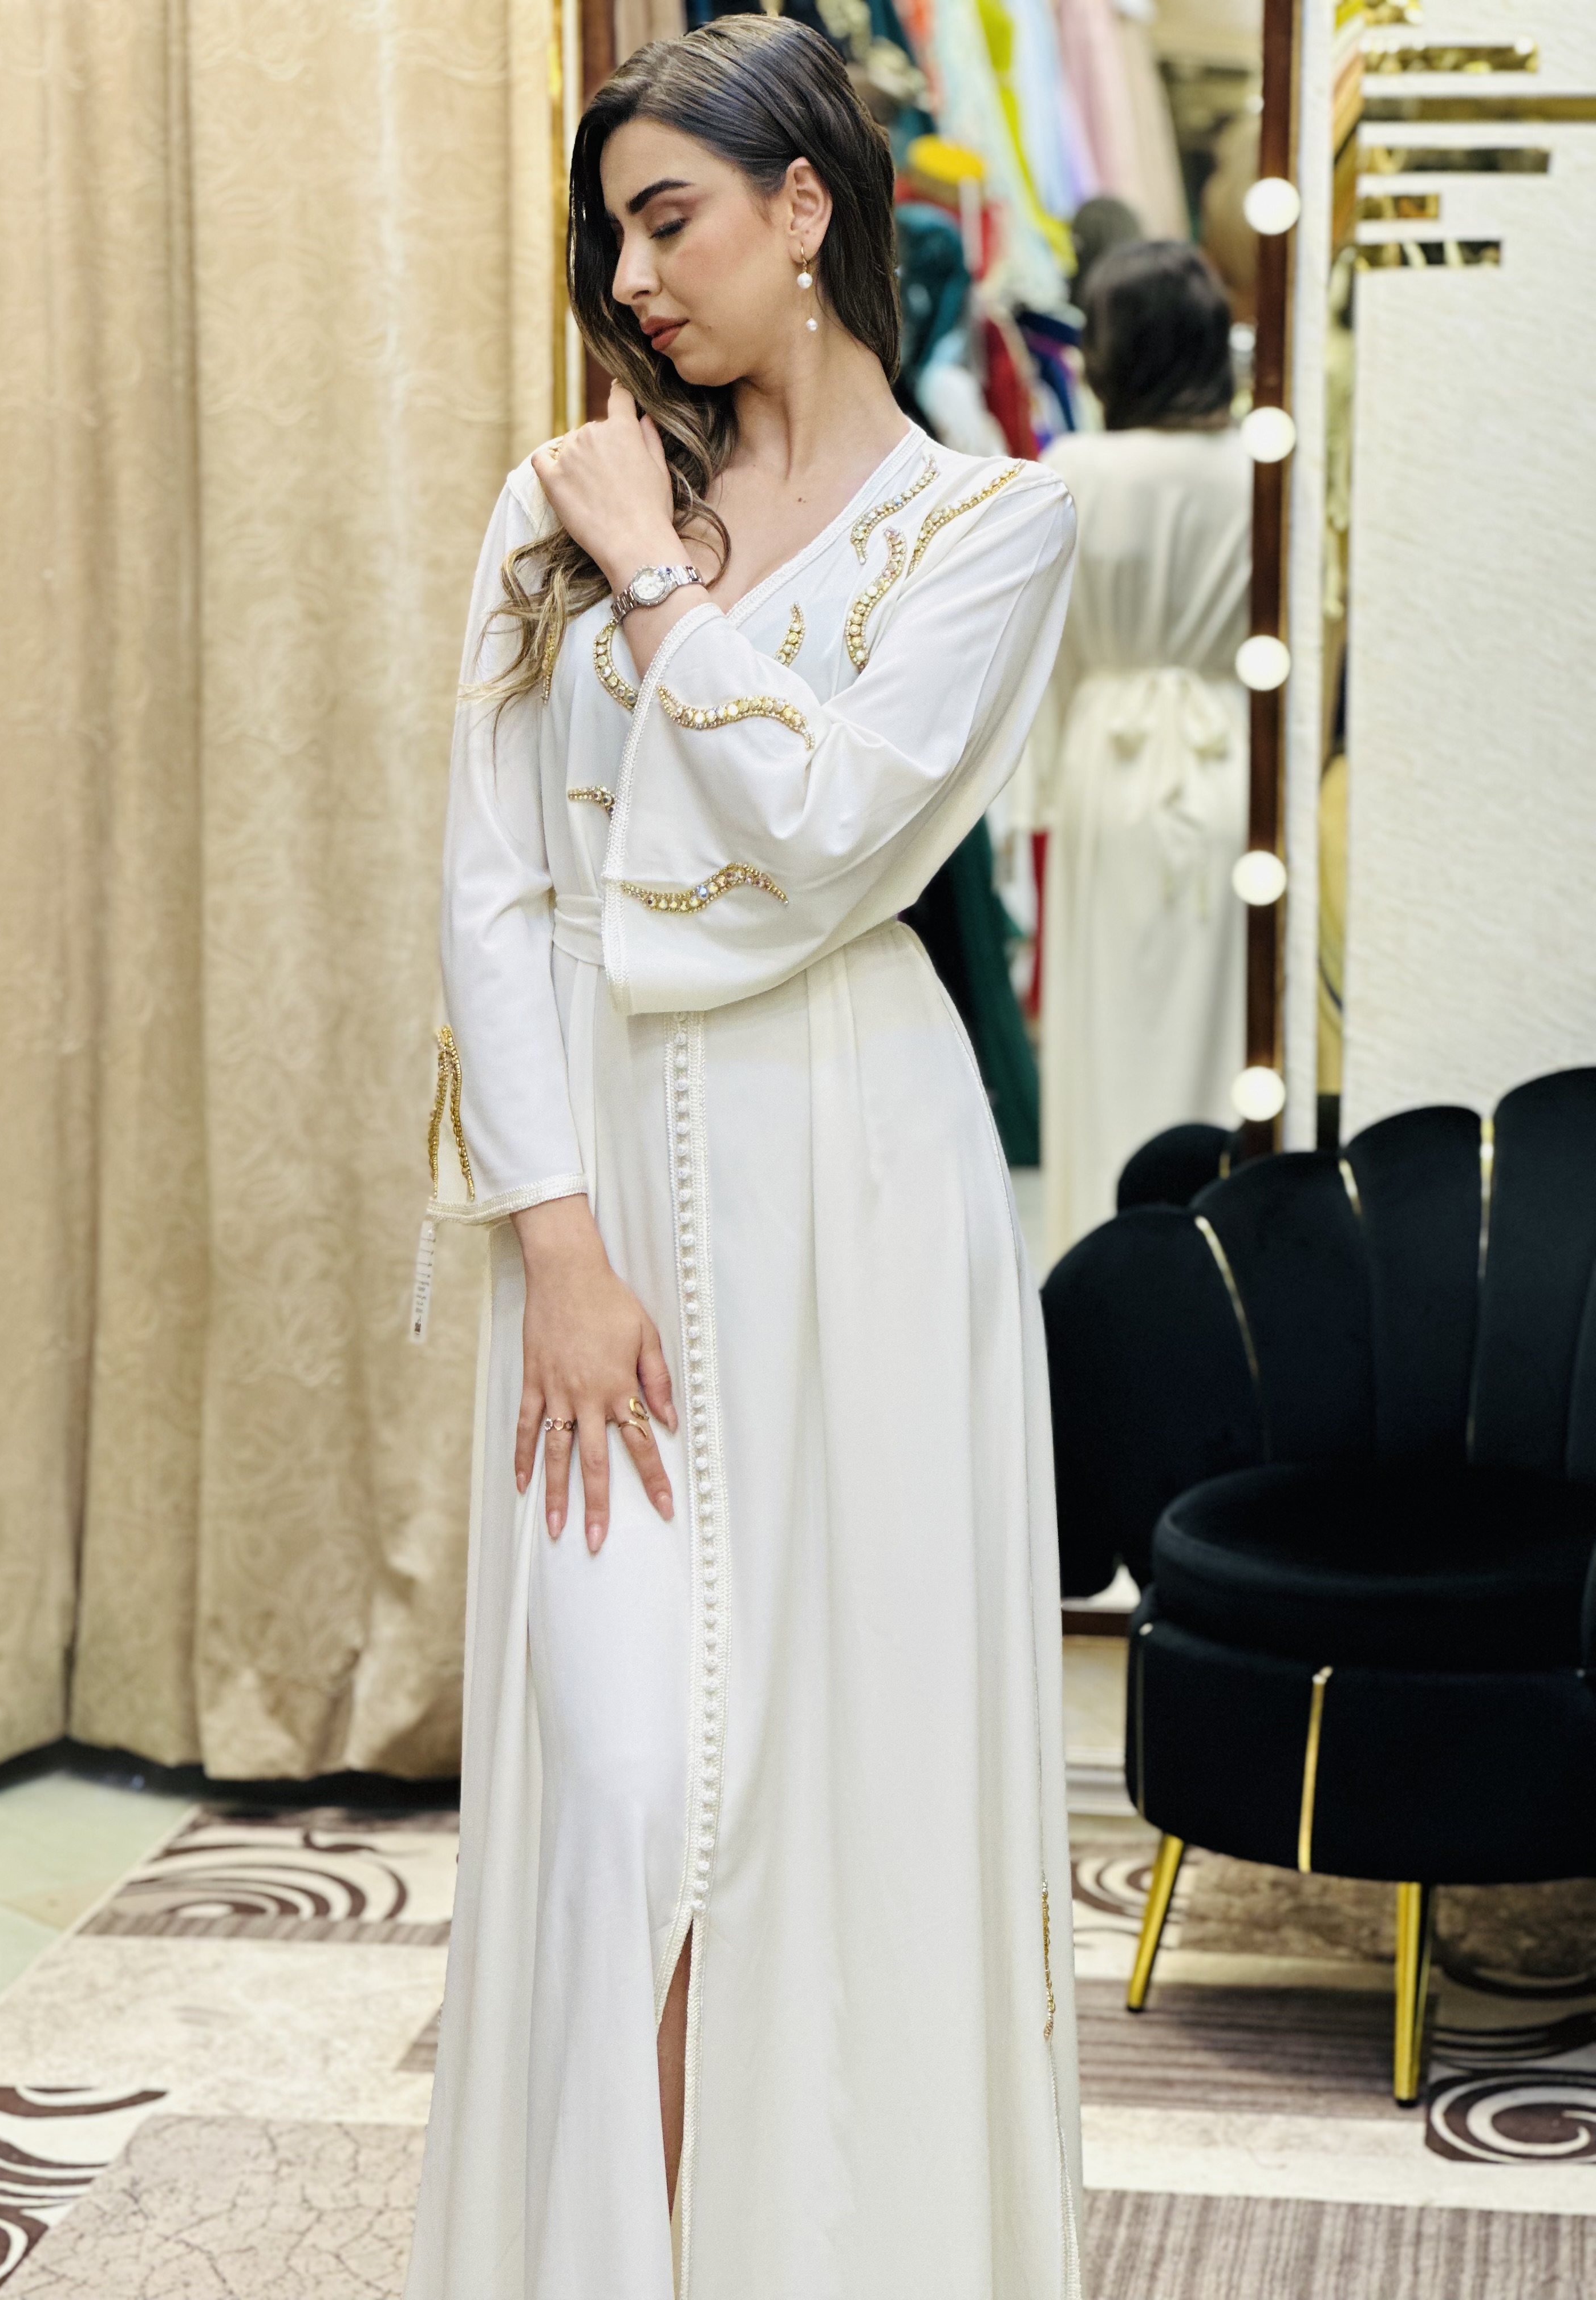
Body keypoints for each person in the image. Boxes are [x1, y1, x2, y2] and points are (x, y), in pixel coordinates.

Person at [404, 20, 1083, 2300]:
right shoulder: (561, 500)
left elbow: (831, 835)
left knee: (834, 1792)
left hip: (861, 1185)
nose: (630, 278)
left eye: (668, 218)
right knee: (621, 1789)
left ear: (807, 209)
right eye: (610, 233)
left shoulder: (996, 527)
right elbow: (495, 884)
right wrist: (557, 1246)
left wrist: (662, 589)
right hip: (601, 1191)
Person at [1030, 239, 1251, 1257]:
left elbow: (1047, 653)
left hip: (1105, 766)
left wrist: (1042, 781)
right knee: (1225, 1033)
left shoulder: (1074, 473)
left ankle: (1104, 1260)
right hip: (1229, 758)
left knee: (1104, 1036)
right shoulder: (1260, 468)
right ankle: (1225, 1258)